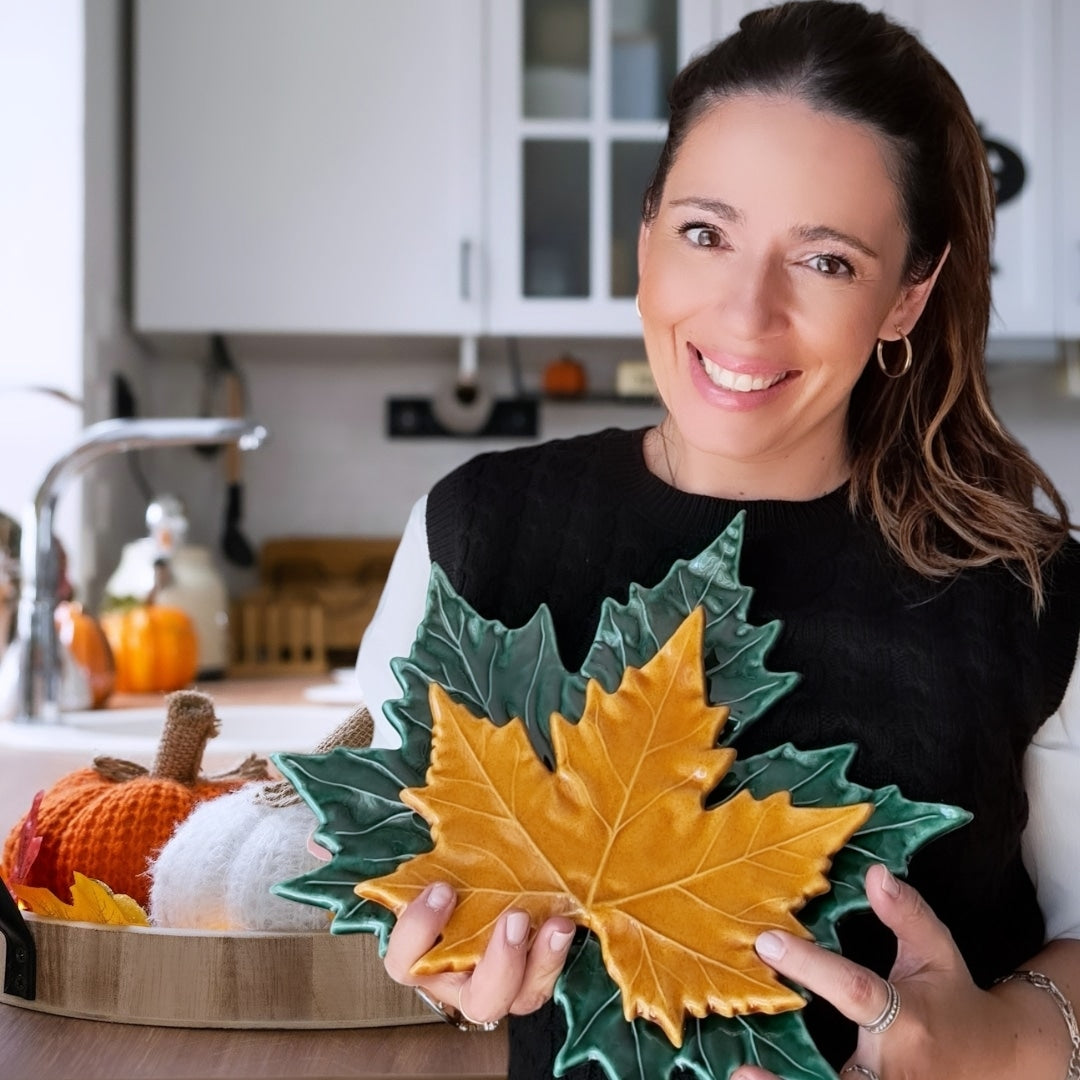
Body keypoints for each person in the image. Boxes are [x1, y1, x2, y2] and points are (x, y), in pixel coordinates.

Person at [355, 3, 1080, 1077]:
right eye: (706, 233)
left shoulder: (1028, 587)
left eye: (827, 261)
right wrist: (434, 959)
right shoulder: (476, 531)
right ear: (645, 234)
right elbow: (383, 863)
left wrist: (1011, 1041)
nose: (747, 314)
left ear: (906, 295)